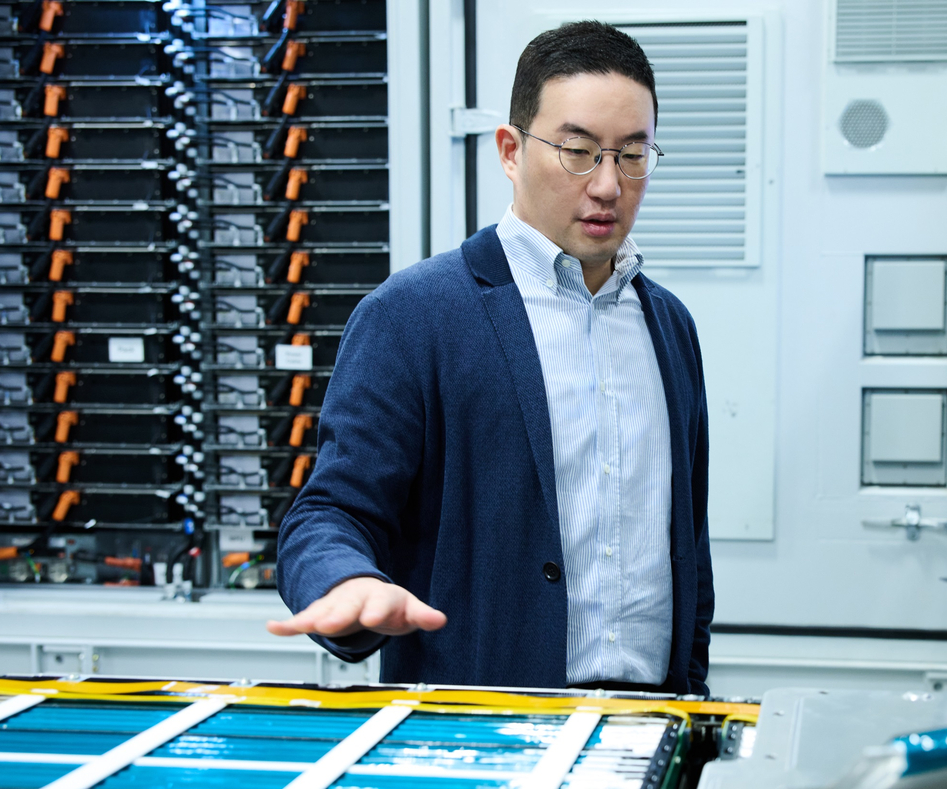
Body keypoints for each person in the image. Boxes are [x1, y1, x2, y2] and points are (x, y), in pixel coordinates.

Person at [269, 21, 714, 695]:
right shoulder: (413, 316)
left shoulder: (669, 326)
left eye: (632, 154)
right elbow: (330, 512)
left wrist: (692, 687)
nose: (607, 185)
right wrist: (347, 580)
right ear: (510, 151)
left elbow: (688, 546)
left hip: (654, 716)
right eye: (578, 151)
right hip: (483, 718)